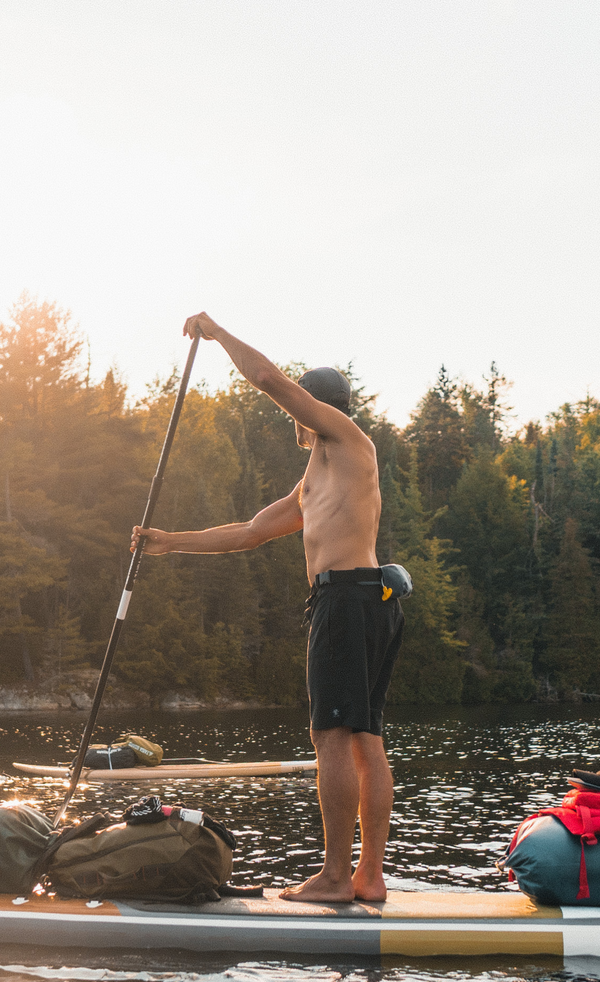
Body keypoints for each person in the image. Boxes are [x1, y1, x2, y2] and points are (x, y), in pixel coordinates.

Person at [131, 312, 405, 904]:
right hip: (366, 600)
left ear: (319, 408)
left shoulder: (346, 439)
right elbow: (250, 532)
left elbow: (268, 379)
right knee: (363, 738)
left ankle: (337, 878)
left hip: (346, 599)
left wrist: (217, 332)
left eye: (306, 405)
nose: (297, 415)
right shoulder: (317, 478)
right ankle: (368, 878)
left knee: (332, 735)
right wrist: (168, 541)